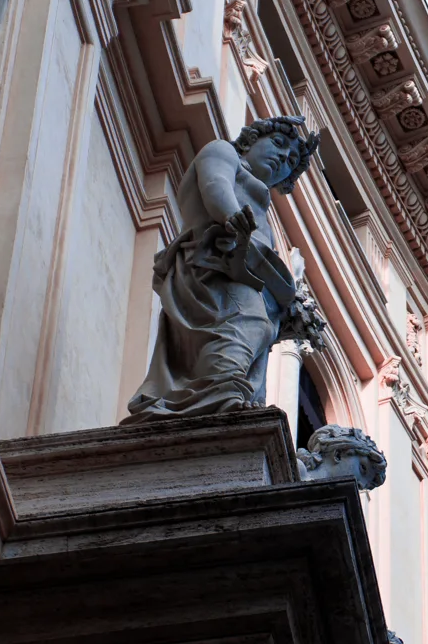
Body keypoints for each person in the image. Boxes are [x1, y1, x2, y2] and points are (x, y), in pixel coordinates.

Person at [125, 116, 325, 421]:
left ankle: (232, 392)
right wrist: (231, 215)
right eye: (278, 143)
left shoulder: (263, 210)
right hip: (209, 266)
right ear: (250, 140)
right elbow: (214, 183)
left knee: (260, 330)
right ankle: (219, 391)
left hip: (235, 272)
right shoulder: (223, 151)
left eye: (291, 161)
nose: (283, 157)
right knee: (249, 322)